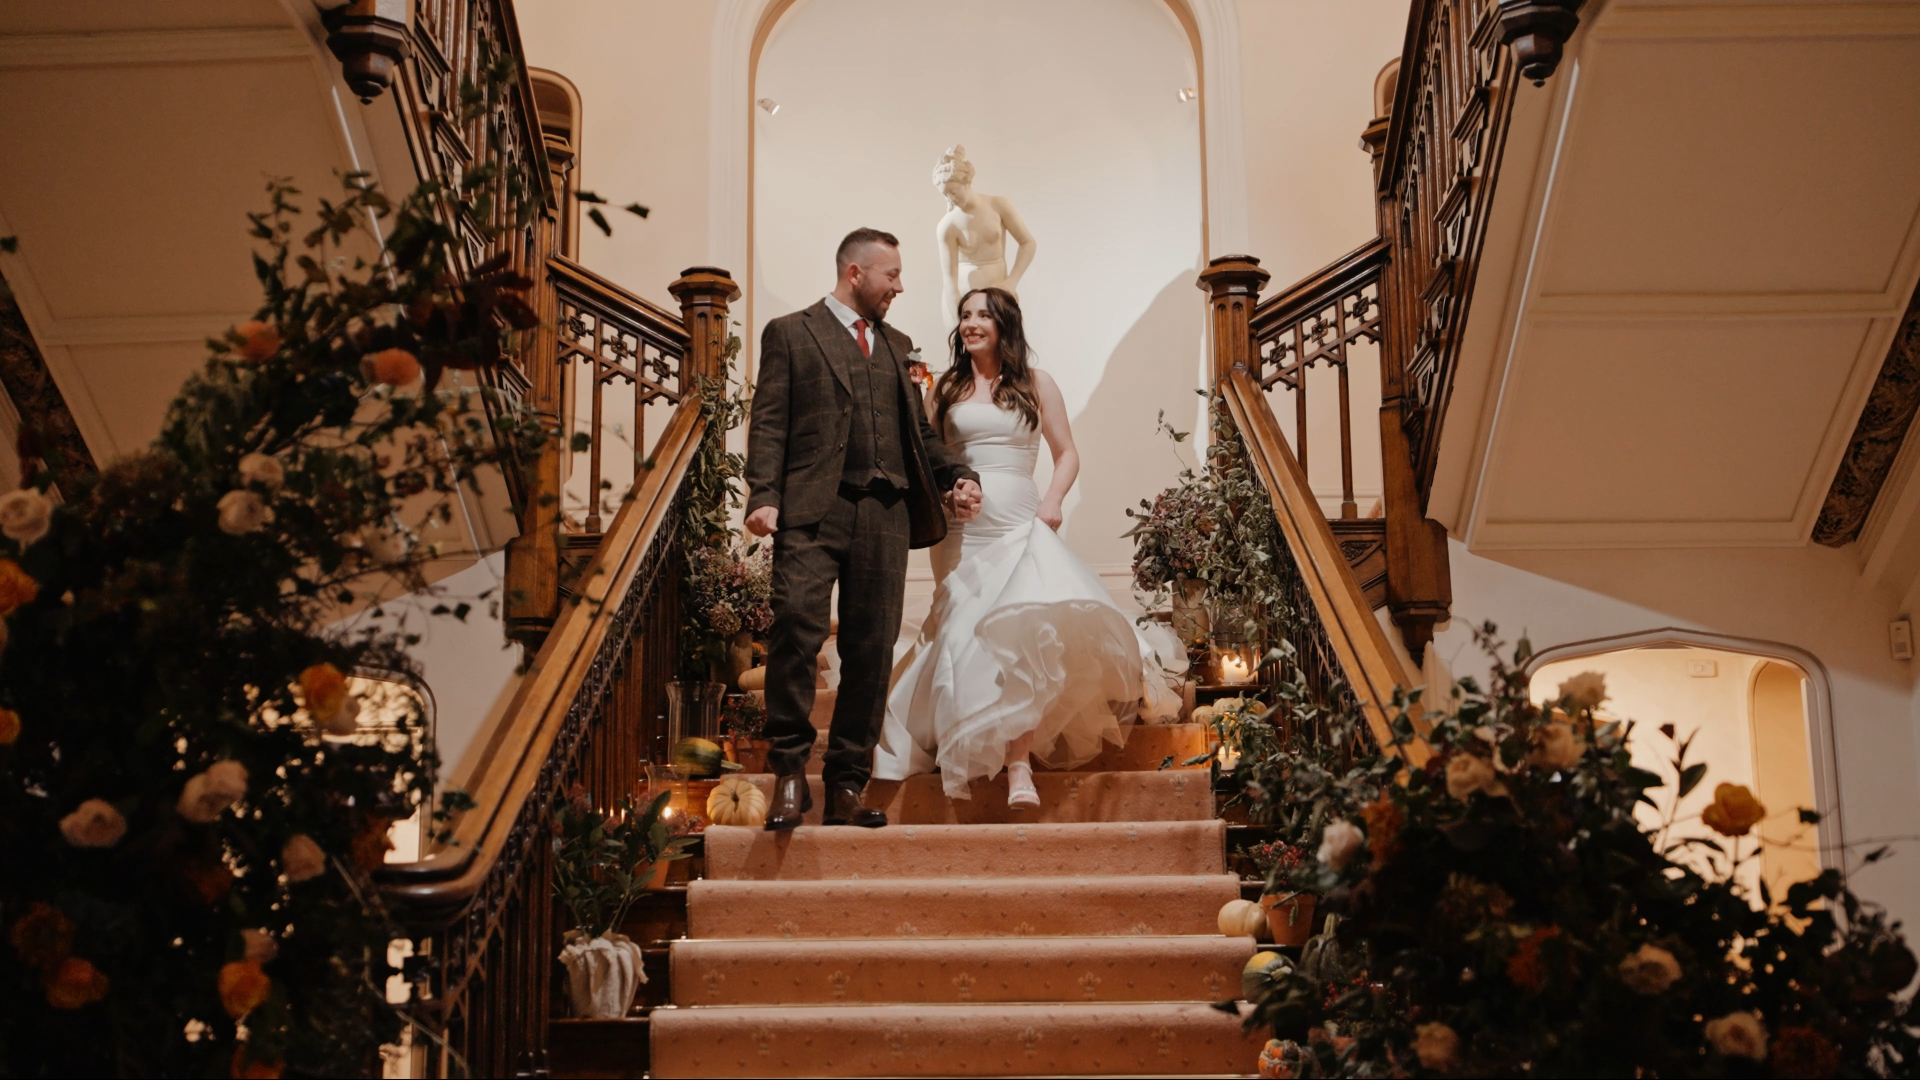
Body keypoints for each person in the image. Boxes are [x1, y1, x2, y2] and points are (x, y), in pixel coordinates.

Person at [875, 287, 1184, 807]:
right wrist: (950, 495)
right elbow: (924, 456)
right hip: (963, 529)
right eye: (965, 315)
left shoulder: (1036, 384)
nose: (971, 323)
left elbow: (1066, 453)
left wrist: (1054, 502)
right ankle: (962, 739)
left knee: (1023, 632)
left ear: (1004, 325)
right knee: (962, 629)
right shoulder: (946, 386)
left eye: (982, 316)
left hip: (1021, 520)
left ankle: (1018, 763)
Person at [743, 228, 983, 831]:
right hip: (811, 510)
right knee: (796, 631)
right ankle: (791, 776)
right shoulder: (791, 333)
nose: (899, 286)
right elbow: (769, 422)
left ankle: (847, 785)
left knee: (872, 651)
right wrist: (764, 495)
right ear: (856, 273)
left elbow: (920, 436)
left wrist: (957, 472)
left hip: (886, 513)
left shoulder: (899, 346)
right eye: (892, 275)